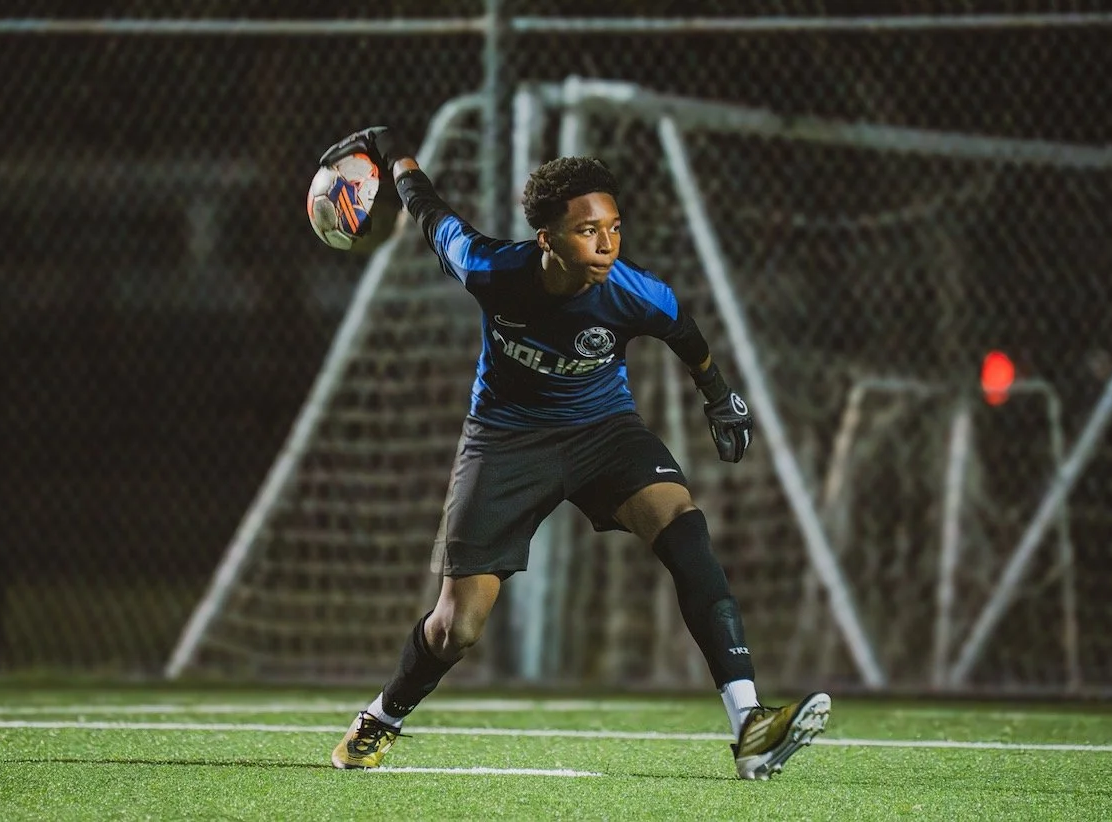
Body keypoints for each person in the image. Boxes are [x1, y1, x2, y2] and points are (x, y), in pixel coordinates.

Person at [320, 126, 830, 781]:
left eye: (615, 227)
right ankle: (383, 716)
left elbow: (686, 335)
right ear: (548, 240)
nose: (608, 242)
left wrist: (719, 398)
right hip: (505, 440)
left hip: (603, 429)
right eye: (589, 230)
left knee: (683, 525)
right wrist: (390, 151)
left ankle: (749, 723)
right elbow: (427, 211)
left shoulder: (634, 291)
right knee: (459, 628)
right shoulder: (490, 269)